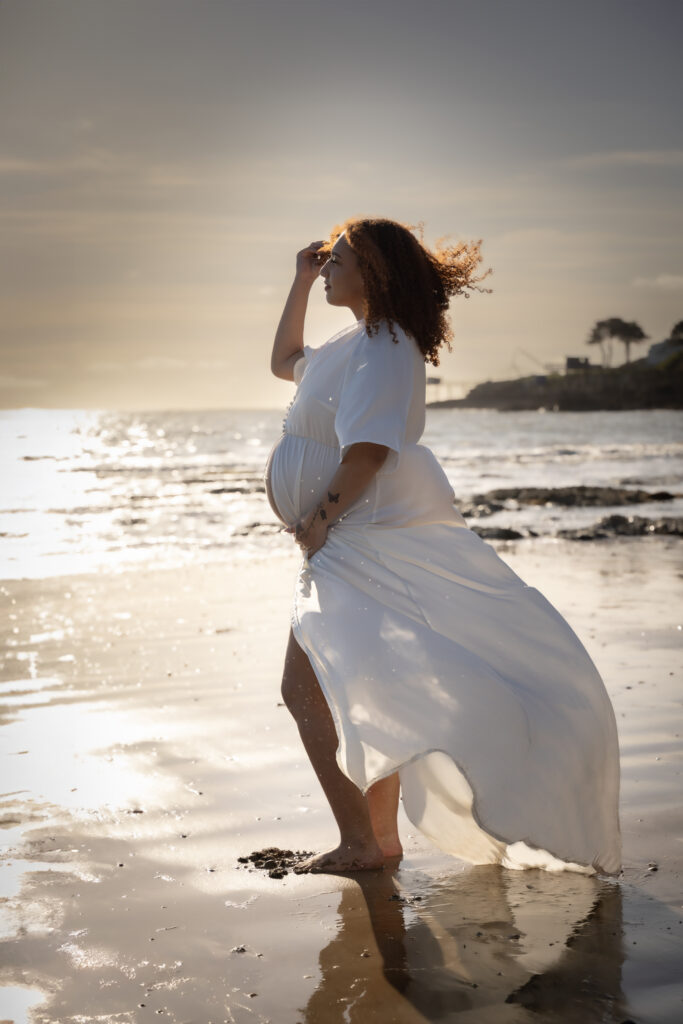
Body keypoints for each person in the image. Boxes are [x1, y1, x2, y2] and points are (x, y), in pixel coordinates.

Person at [265, 216, 621, 876]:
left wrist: (319, 518)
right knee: (357, 689)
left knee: (305, 690)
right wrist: (298, 280)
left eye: (337, 259)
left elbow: (369, 449)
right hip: (349, 541)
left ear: (374, 271)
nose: (327, 268)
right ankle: (375, 839)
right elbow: (284, 361)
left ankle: (364, 841)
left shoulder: (387, 346)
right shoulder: (354, 341)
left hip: (356, 539)